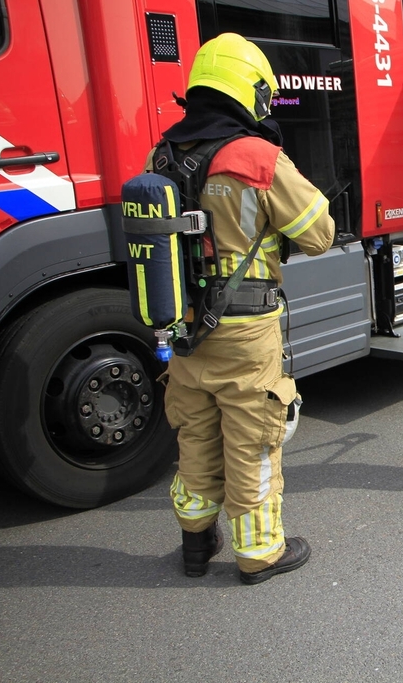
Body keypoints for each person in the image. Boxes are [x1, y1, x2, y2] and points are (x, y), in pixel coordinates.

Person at [157, 33, 335, 584]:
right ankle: (259, 553)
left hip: (185, 327)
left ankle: (194, 543)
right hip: (244, 328)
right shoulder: (257, 157)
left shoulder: (162, 154)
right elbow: (320, 235)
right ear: (247, 92)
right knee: (252, 437)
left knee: (196, 434)